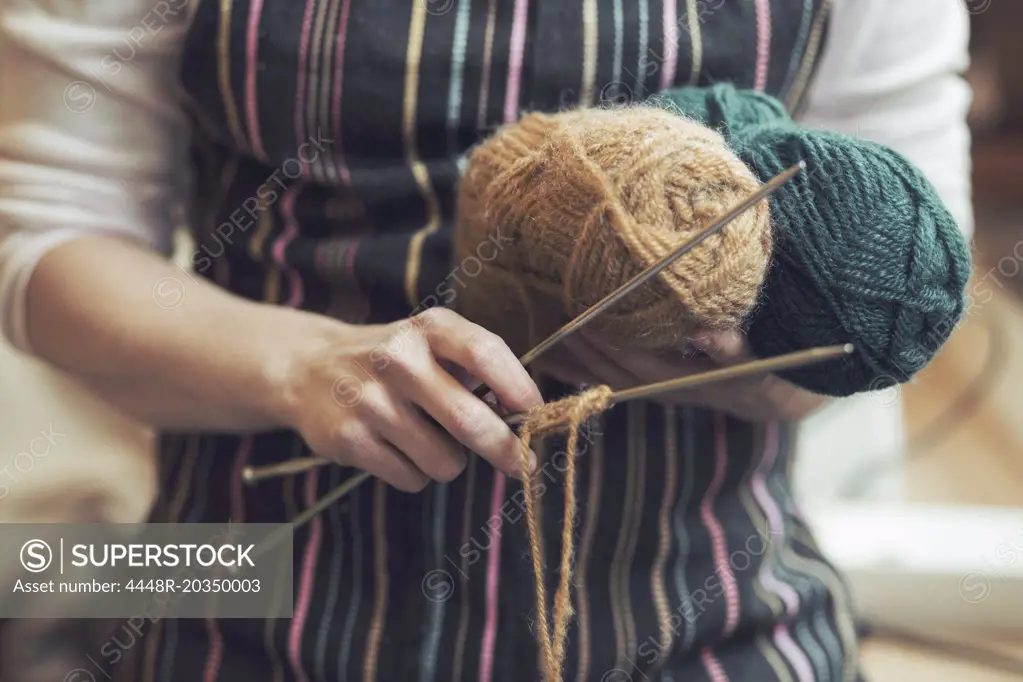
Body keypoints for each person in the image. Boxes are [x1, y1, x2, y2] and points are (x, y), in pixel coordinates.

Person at [0, 0, 972, 679]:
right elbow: (46, 240)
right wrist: (300, 365)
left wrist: (718, 365)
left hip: (709, 626)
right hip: (248, 620)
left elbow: (903, 296)